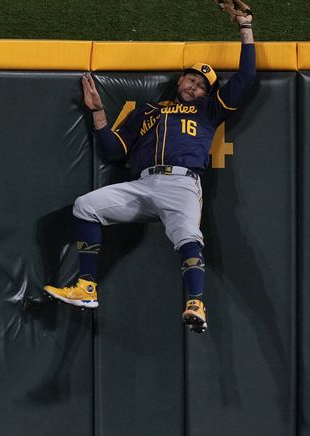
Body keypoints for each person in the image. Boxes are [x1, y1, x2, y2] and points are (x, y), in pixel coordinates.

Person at [44, 13, 256, 333]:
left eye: (201, 86)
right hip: (142, 185)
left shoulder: (209, 110)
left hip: (181, 183)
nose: (195, 86)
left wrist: (245, 27)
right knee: (85, 206)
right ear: (181, 79)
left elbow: (246, 76)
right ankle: (86, 287)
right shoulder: (148, 112)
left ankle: (196, 302)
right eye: (191, 79)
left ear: (206, 94)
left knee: (187, 236)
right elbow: (114, 152)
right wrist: (99, 113)